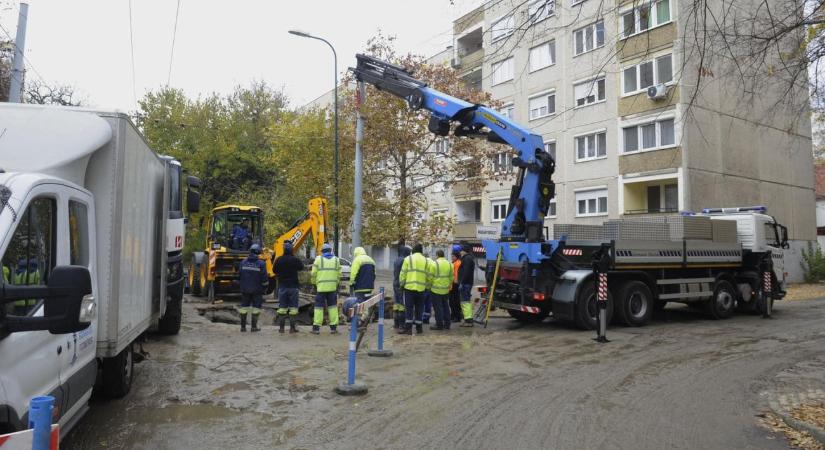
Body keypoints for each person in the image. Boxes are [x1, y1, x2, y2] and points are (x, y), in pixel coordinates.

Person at [398, 243, 432, 335]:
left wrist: (401, 284)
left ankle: (408, 329)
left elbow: (403, 273)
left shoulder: (408, 259)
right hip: (421, 289)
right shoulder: (426, 260)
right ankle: (419, 328)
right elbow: (429, 276)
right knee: (419, 309)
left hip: (409, 288)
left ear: (413, 250)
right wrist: (427, 287)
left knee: (409, 308)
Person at [311, 243, 342, 334]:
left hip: (321, 288)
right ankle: (333, 328)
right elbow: (339, 275)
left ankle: (316, 328)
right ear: (330, 250)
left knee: (319, 308)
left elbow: (313, 274)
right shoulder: (336, 260)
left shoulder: (318, 259)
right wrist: (336, 284)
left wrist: (314, 284)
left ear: (322, 251)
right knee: (332, 307)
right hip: (332, 288)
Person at [273, 241, 303, 334]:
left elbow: (274, 270)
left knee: (282, 308)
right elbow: (301, 267)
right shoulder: (295, 260)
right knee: (293, 308)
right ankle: (292, 328)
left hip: (282, 287)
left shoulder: (279, 260)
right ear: (292, 250)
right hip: (293, 287)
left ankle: (281, 328)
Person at [343, 247, 376, 327]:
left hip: (360, 287)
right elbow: (374, 274)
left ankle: (357, 323)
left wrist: (351, 283)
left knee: (358, 305)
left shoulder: (357, 260)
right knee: (366, 305)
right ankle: (363, 320)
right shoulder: (371, 260)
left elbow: (353, 273)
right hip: (369, 287)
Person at [238, 244, 267, 332]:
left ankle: (243, 327)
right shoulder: (261, 263)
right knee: (256, 308)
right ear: (258, 252)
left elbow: (239, 275)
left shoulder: (243, 262)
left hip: (245, 289)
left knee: (244, 307)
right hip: (257, 290)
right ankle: (253, 327)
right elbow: (264, 278)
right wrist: (265, 288)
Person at [428, 249, 453, 331]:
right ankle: (447, 324)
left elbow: (430, 277)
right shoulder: (449, 264)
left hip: (436, 290)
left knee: (438, 308)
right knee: (446, 306)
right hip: (445, 290)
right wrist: (449, 285)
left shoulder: (434, 264)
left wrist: (429, 286)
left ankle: (439, 325)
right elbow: (451, 277)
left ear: (437, 255)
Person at [392, 246, 410, 329]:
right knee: (402, 304)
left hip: (395, 283)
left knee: (396, 304)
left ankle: (396, 323)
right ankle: (401, 325)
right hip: (401, 285)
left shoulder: (397, 259)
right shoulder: (404, 260)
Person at [458, 244, 476, 327]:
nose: (460, 252)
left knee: (465, 302)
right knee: (465, 302)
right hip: (467, 283)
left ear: (464, 251)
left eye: (461, 250)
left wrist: (462, 282)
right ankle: (467, 319)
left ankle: (468, 320)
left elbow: (466, 272)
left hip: (465, 284)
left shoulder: (467, 259)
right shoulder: (468, 258)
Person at [449, 245, 462, 323]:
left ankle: (456, 316)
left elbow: (455, 274)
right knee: (453, 302)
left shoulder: (457, 263)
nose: (452, 257)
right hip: (454, 284)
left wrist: (455, 282)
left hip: (455, 284)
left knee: (454, 302)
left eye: (453, 256)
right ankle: (454, 315)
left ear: (456, 256)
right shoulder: (455, 263)